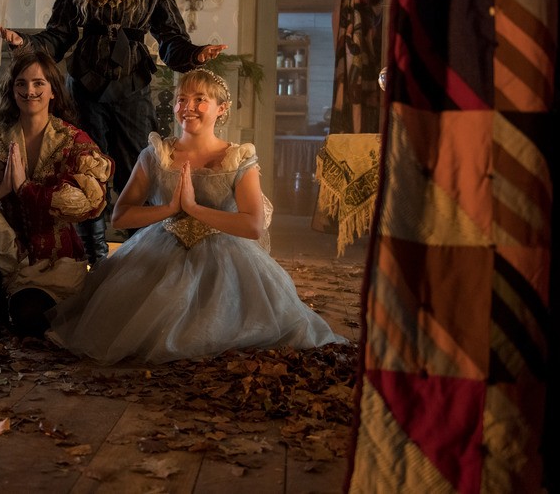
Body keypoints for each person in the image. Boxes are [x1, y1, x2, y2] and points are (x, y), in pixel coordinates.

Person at [45, 68, 346, 364]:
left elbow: (253, 225)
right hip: (160, 250)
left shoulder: (238, 158)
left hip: (226, 257)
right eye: (181, 99)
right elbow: (120, 217)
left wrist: (194, 208)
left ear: (221, 108)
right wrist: (170, 209)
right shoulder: (156, 155)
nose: (187, 107)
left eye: (200, 99)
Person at [0, 0, 226, 264]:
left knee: (141, 171)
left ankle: (142, 256)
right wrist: (25, 43)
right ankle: (93, 257)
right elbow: (59, 36)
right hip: (84, 90)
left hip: (132, 89)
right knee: (84, 171)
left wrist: (195, 54)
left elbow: (171, 41)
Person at [0, 50, 114, 339]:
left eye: (38, 83)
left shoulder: (72, 142)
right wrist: (0, 191)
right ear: (12, 90)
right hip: (4, 253)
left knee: (29, 319)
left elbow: (87, 206)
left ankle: (24, 304)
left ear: (53, 91)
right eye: (21, 83)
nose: (29, 91)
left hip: (53, 264)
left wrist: (26, 190)